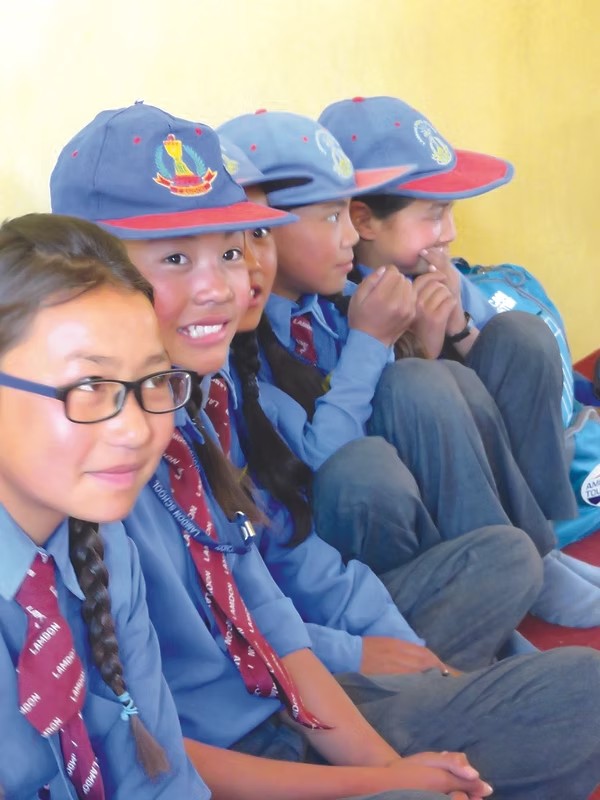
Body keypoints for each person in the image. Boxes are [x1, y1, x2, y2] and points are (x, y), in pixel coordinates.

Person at [49, 101, 600, 800]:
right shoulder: (93, 466)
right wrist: (375, 770)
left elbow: (270, 597)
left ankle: (509, 612)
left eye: (237, 246)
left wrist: (380, 746)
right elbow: (137, 748)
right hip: (246, 743)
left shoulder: (189, 414)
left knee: (518, 583)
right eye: (177, 257)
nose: (228, 280)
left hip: (296, 692)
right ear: (89, 277)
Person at [219, 108, 599, 627]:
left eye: (349, 214)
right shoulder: (235, 349)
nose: (350, 238)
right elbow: (320, 463)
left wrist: (440, 337)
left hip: (411, 493)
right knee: (391, 421)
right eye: (333, 217)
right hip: (349, 527)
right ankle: (508, 577)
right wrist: (375, 343)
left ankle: (534, 553)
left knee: (510, 341)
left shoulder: (345, 298)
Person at [0, 213, 207, 798]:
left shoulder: (104, 545)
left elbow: (164, 782)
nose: (138, 430)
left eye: (155, 381)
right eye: (89, 386)